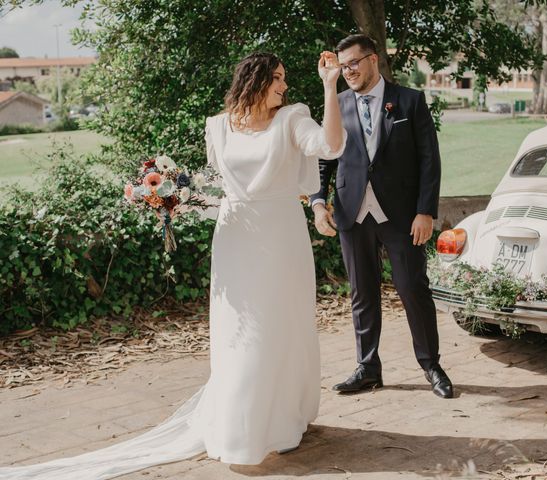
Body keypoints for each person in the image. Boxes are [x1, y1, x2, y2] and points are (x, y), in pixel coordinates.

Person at [0, 51, 346, 479]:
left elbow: (331, 145)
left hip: (283, 235)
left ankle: (284, 415)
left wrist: (331, 86)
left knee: (285, 322)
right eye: (277, 78)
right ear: (254, 80)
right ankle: (244, 427)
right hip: (236, 235)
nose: (284, 86)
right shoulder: (217, 127)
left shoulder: (294, 117)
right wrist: (175, 199)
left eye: (284, 79)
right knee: (243, 330)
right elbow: (220, 186)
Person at [310, 34, 453, 399]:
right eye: (343, 67)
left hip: (403, 215)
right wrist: (317, 201)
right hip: (351, 211)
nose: (349, 71)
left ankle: (431, 365)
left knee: (412, 288)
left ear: (373, 59)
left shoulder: (410, 101)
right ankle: (368, 367)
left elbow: (428, 160)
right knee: (362, 293)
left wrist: (425, 211)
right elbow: (324, 158)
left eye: (354, 63)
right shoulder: (336, 103)